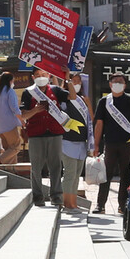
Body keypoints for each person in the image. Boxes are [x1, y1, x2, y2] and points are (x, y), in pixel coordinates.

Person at [21, 69, 70, 207]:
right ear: (32, 77)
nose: (41, 77)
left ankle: (56, 197)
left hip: (55, 133)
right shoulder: (28, 92)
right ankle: (37, 197)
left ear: (49, 76)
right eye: (37, 75)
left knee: (55, 167)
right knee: (36, 167)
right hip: (36, 134)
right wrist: (35, 110)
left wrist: (68, 80)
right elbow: (23, 116)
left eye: (43, 75)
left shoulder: (55, 90)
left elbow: (72, 96)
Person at [93, 73, 130, 214]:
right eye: (115, 81)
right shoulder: (104, 101)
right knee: (105, 174)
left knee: (126, 175)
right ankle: (100, 205)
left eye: (121, 81)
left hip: (127, 143)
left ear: (125, 85)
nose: (118, 83)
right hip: (110, 143)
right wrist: (96, 144)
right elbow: (99, 124)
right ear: (110, 84)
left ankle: (123, 205)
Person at [60, 73, 93, 214]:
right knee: (69, 173)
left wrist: (89, 104)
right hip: (67, 141)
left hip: (81, 142)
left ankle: (73, 202)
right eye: (73, 81)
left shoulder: (83, 100)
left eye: (78, 81)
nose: (76, 84)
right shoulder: (64, 99)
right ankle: (66, 202)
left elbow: (91, 119)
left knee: (77, 175)